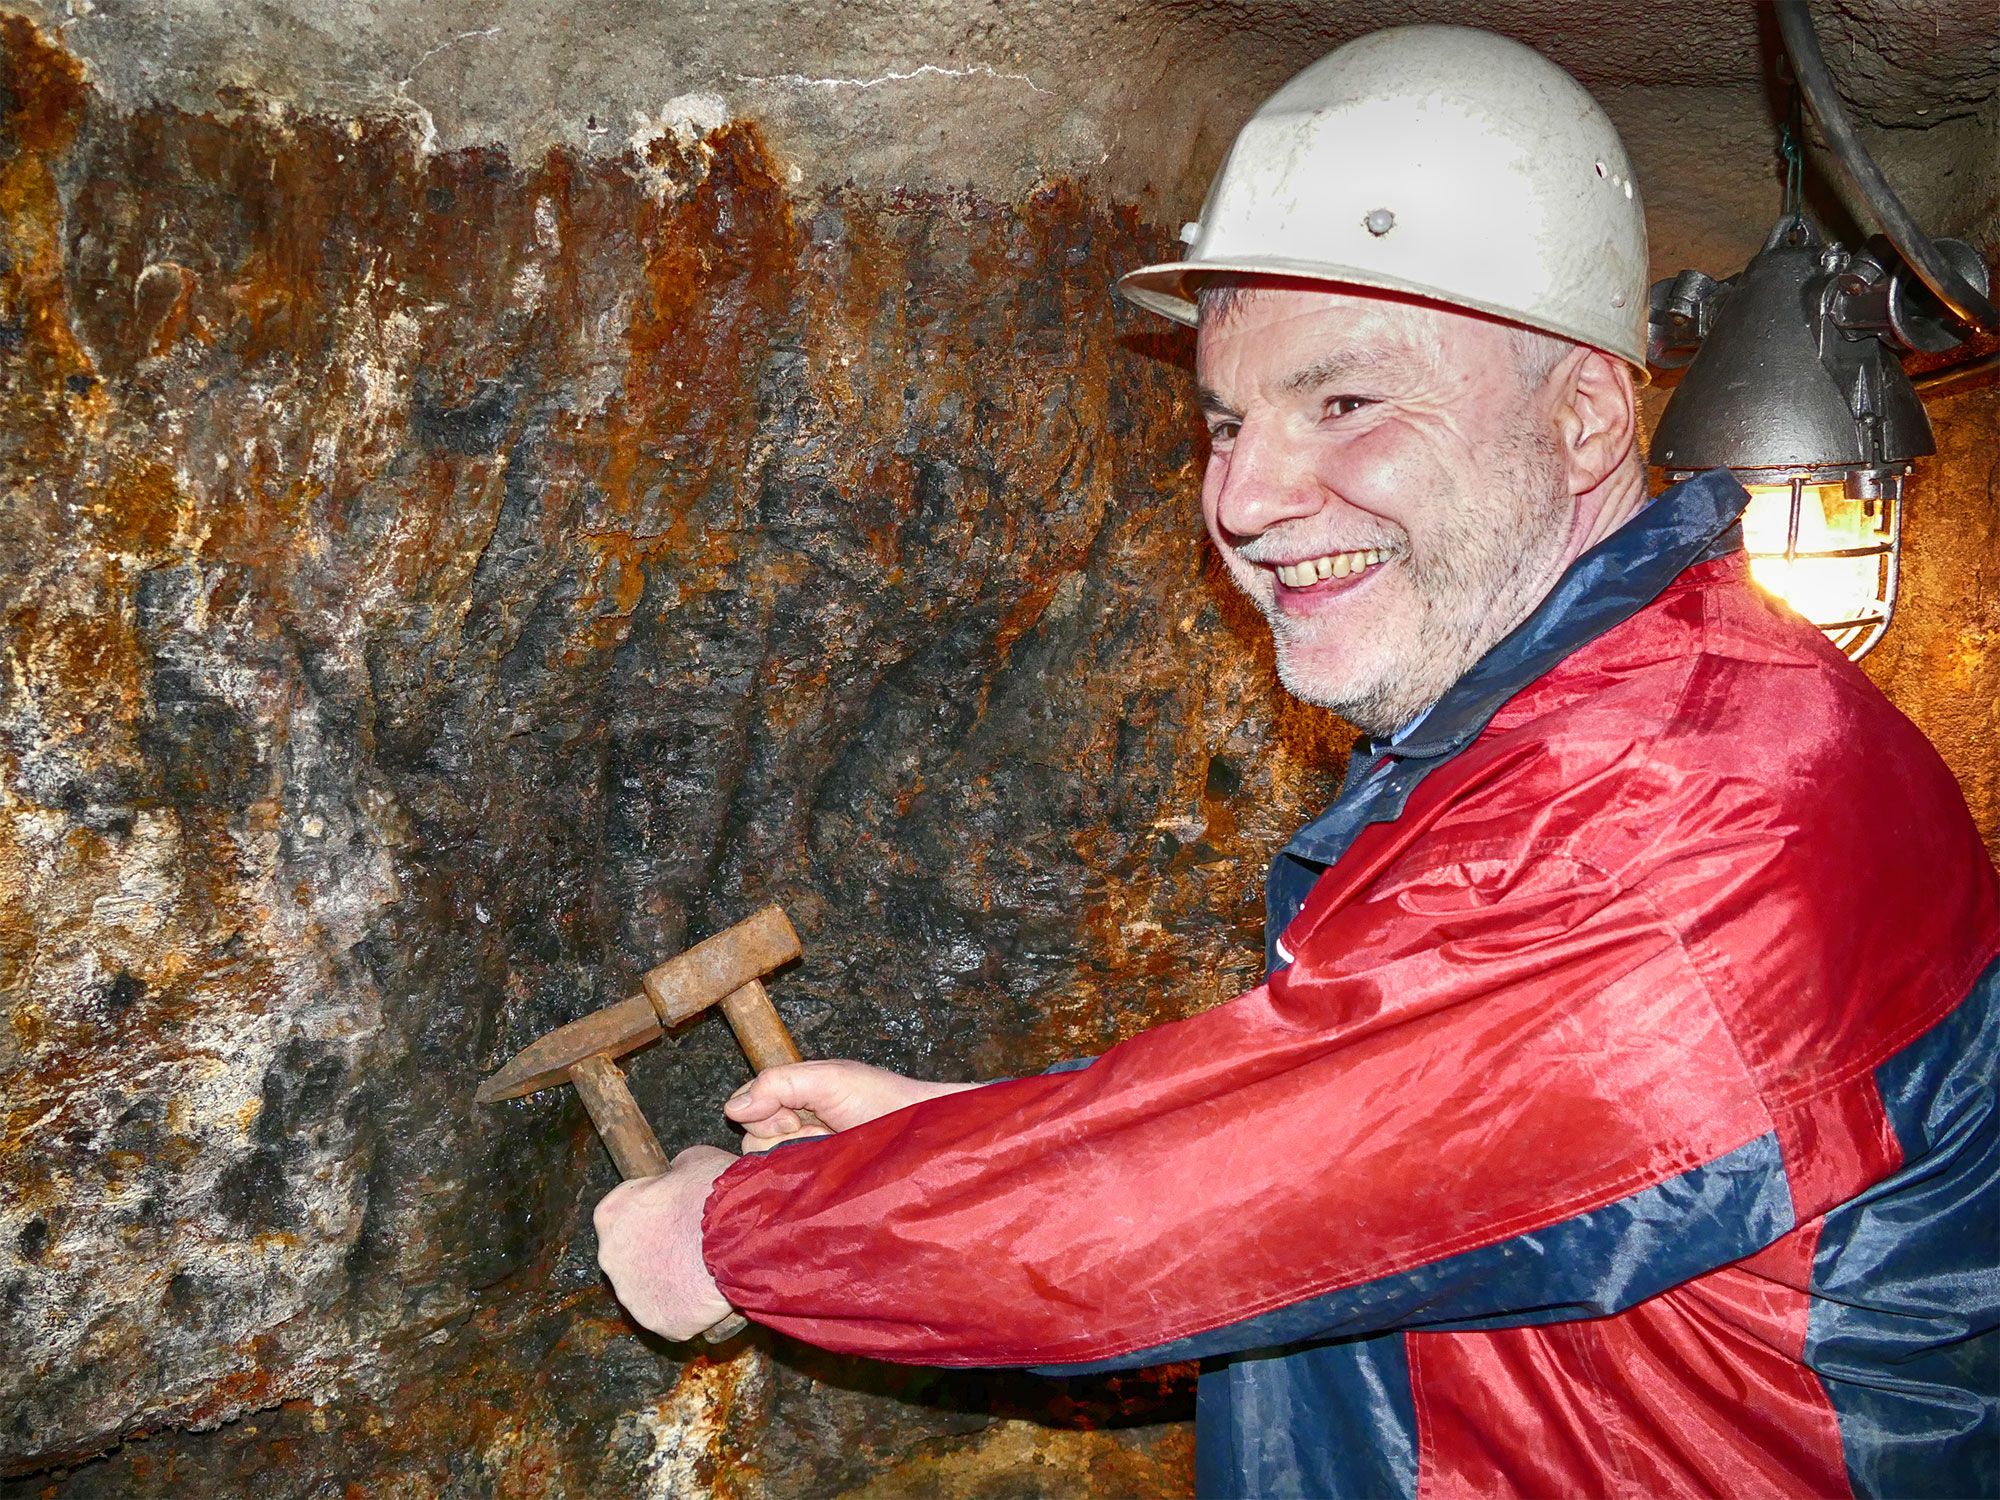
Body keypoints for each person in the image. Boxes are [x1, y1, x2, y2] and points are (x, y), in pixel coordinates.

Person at [594, 27, 2000, 1498]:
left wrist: (735, 1239)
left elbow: (1219, 1192)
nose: (1247, 499)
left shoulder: (1688, 819)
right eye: (1224, 420)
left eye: (1345, 404)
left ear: (1584, 417)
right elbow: (1344, 1155)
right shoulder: (1588, 725)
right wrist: (954, 1144)